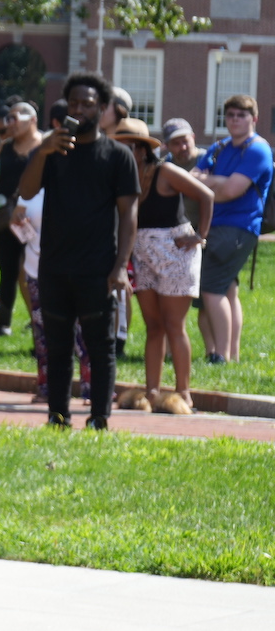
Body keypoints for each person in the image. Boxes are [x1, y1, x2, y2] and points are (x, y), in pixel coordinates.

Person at [16, 73, 139, 429]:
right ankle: (58, 416)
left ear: (102, 109)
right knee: (56, 348)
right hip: (53, 266)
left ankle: (99, 418)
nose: (80, 110)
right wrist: (43, 150)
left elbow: (129, 214)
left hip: (98, 268)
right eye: (74, 104)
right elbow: (25, 192)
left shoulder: (117, 156)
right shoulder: (52, 152)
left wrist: (120, 267)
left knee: (100, 348)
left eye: (88, 104)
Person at [116, 119, 212, 414]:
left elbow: (205, 195)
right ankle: (152, 391)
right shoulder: (121, 177)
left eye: (127, 148)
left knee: (174, 324)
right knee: (153, 326)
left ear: (143, 150)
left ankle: (184, 392)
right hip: (143, 254)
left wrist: (200, 235)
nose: (121, 153)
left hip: (175, 252)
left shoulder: (165, 171)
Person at [194, 94, 272, 364]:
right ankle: (232, 355)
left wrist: (209, 182)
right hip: (216, 226)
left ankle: (220, 356)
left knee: (211, 291)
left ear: (254, 119)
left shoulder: (258, 150)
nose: (235, 119)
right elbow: (192, 180)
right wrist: (213, 182)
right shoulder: (219, 147)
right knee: (227, 290)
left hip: (237, 229)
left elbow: (230, 191)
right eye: (231, 115)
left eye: (242, 115)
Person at [0, 100, 41, 337]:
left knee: (35, 271)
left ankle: (38, 320)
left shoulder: (43, 147)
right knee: (7, 270)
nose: (10, 122)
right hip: (7, 218)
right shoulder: (4, 148)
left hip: (36, 218)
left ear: (32, 120)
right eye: (8, 118)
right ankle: (4, 322)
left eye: (15, 118)